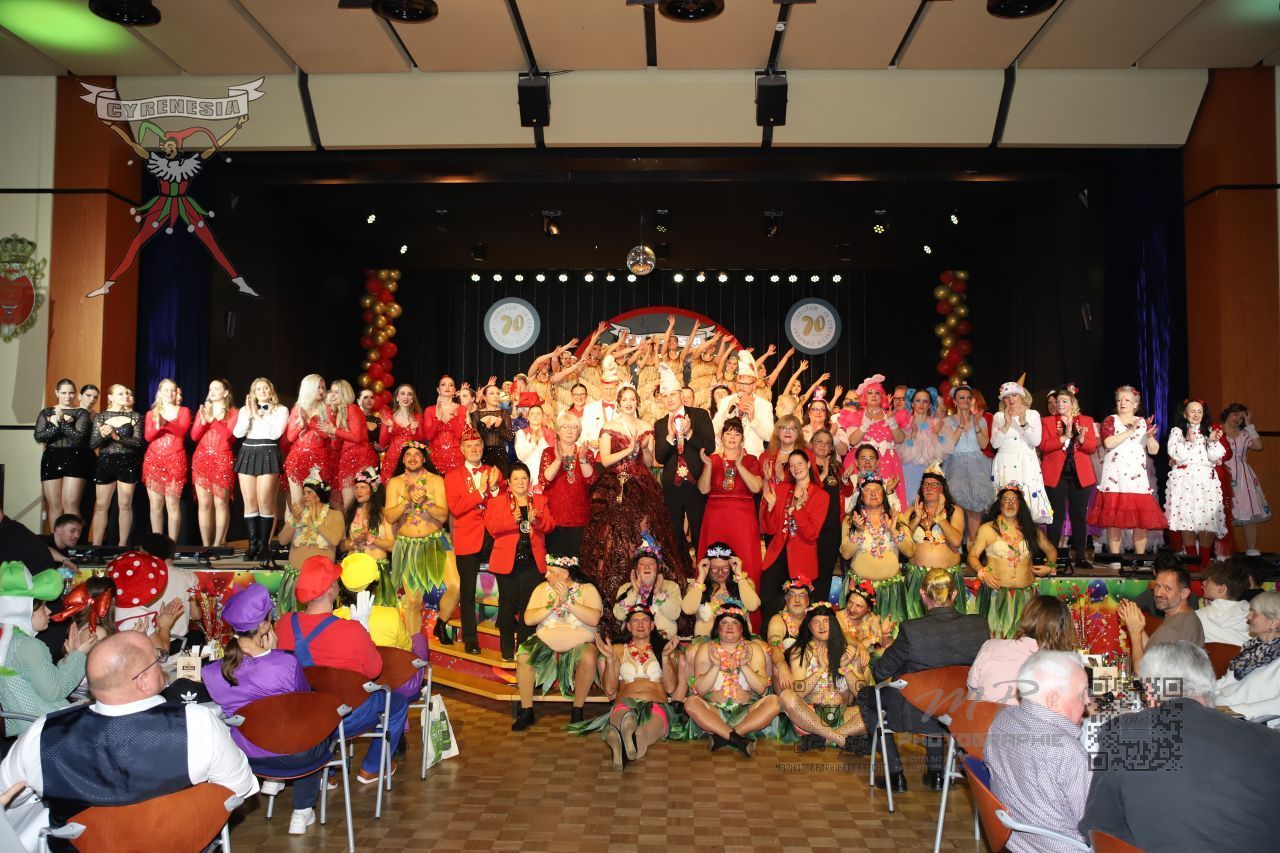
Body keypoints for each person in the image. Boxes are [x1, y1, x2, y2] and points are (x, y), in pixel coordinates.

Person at [0, 630, 258, 852]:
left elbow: (7, 798)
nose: (161, 664)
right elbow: (239, 787)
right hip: (178, 843)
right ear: (143, 680)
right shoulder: (196, 722)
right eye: (157, 659)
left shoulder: (44, 734)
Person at [1080, 642, 1280, 852]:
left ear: (1150, 690)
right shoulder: (1270, 741)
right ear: (1210, 685)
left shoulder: (1122, 731)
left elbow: (1099, 825)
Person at [202, 583, 326, 836]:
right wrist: (276, 653)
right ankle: (301, 812)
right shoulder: (285, 663)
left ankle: (275, 780)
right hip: (293, 754)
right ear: (264, 626)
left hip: (244, 755)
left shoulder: (210, 672)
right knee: (316, 729)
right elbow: (304, 701)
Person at [274, 556, 409, 784]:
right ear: (331, 590)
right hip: (343, 718)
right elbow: (375, 669)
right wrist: (364, 629)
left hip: (301, 717)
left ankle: (323, 770)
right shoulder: (351, 630)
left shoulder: (284, 623)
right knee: (397, 703)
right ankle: (372, 768)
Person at [856, 568, 988, 792]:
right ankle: (936, 773)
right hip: (960, 711)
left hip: (914, 711)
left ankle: (895, 773)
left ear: (922, 594)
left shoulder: (911, 630)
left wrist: (886, 648)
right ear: (954, 594)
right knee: (939, 690)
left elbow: (880, 671)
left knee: (866, 696)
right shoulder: (979, 625)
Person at [582, 385, 688, 613]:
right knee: (613, 533)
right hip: (616, 484)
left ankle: (649, 590)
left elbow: (649, 462)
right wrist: (629, 449)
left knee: (646, 528)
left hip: (642, 484)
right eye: (625, 400)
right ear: (619, 403)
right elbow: (606, 460)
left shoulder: (646, 427)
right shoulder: (610, 427)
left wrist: (644, 449)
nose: (629, 403)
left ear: (637, 402)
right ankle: (615, 591)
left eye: (632, 399)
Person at [984, 651, 1092, 853]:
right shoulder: (1069, 752)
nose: (1088, 701)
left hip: (1014, 842)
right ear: (1053, 699)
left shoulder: (1002, 721)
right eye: (1082, 693)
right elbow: (1095, 826)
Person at [0, 562, 93, 735]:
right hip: (49, 728)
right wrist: (80, 655)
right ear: (26, 610)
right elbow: (55, 691)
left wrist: (71, 656)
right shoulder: (28, 646)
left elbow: (44, 681)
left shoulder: (7, 640)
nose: (49, 611)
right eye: (43, 607)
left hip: (28, 727)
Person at [512, 556, 602, 729]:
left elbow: (594, 619)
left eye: (551, 572)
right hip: (545, 642)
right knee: (524, 656)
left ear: (565, 574)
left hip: (580, 644)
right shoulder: (541, 589)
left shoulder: (587, 589)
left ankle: (577, 709)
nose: (546, 575)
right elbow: (528, 619)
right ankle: (526, 710)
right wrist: (553, 604)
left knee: (589, 658)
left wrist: (568, 601)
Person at [584, 605, 680, 768]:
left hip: (655, 705)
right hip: (625, 704)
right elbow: (610, 689)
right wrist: (610, 660)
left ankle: (620, 749)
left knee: (642, 732)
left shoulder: (664, 649)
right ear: (628, 626)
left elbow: (671, 688)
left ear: (652, 625)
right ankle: (625, 736)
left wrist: (665, 658)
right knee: (624, 720)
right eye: (635, 621)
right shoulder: (617, 649)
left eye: (645, 620)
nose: (640, 624)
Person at [682, 603, 781, 756]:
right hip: (714, 713)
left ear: (742, 627)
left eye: (735, 622)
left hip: (747, 713)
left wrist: (744, 665)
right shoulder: (706, 649)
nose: (729, 627)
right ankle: (738, 740)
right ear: (717, 626)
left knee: (775, 701)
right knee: (691, 702)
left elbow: (761, 688)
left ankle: (726, 736)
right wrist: (716, 666)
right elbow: (700, 690)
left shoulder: (753, 649)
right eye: (724, 622)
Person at [1087, 385, 1166, 567]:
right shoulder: (1110, 420)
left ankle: (1140, 558)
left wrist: (1149, 436)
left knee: (1140, 520)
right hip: (1115, 476)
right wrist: (1131, 431)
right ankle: (1115, 558)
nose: (1122, 403)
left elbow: (1154, 450)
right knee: (1114, 519)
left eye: (1127, 400)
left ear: (1135, 404)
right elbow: (1108, 443)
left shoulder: (1142, 422)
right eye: (1119, 400)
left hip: (1136, 478)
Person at [485, 462, 555, 661]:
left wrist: (537, 520)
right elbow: (492, 528)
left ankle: (523, 650)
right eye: (516, 478)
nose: (520, 482)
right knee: (507, 607)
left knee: (529, 607)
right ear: (509, 482)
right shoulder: (498, 502)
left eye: (524, 478)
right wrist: (513, 520)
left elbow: (550, 526)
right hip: (507, 562)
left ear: (529, 480)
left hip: (532, 563)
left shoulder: (540, 500)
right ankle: (507, 651)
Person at [444, 426, 505, 653]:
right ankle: (470, 640)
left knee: (508, 582)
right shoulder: (452, 477)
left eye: (477, 445)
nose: (474, 449)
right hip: (467, 538)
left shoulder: (493, 471)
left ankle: (505, 623)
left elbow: (503, 502)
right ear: (462, 450)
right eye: (469, 446)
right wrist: (480, 492)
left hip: (493, 535)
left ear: (483, 447)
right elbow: (456, 508)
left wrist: (495, 488)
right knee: (467, 592)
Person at [968, 486, 1058, 638]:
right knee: (997, 638)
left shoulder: (1030, 530)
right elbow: (972, 556)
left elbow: (1051, 551)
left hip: (1026, 595)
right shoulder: (988, 529)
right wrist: (983, 573)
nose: (1010, 503)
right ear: (1000, 504)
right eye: (1006, 499)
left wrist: (1050, 567)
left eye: (1014, 500)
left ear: (1020, 504)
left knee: (1025, 638)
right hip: (997, 596)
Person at [385, 441, 452, 645]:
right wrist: (406, 501)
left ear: (424, 458)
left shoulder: (436, 481)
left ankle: (441, 623)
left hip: (436, 541)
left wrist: (424, 503)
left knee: (456, 586)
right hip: (409, 545)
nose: (413, 458)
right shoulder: (395, 483)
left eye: (417, 454)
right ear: (403, 459)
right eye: (408, 455)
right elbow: (390, 516)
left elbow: (443, 516)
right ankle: (414, 649)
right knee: (414, 601)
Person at [782, 603, 871, 753]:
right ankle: (841, 740)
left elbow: (862, 695)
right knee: (787, 696)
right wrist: (820, 670)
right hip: (810, 717)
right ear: (809, 626)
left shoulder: (848, 652)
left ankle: (824, 740)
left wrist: (845, 668)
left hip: (843, 716)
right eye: (816, 622)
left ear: (834, 625)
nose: (822, 626)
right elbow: (798, 692)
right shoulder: (800, 652)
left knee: (878, 709)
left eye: (826, 621)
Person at [759, 450, 830, 630]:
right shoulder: (782, 489)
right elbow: (769, 528)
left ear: (808, 464)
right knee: (768, 602)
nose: (796, 468)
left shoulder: (821, 496)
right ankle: (771, 640)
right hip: (777, 554)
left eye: (799, 463)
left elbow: (811, 534)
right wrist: (770, 506)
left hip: (801, 559)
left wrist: (798, 510)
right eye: (791, 465)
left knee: (799, 610)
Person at [654, 364, 717, 561]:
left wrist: (689, 433)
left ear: (681, 395)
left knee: (699, 528)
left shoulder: (699, 415)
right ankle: (680, 569)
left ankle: (703, 567)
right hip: (672, 486)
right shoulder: (660, 424)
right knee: (673, 531)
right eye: (665, 396)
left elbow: (710, 447)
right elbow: (660, 458)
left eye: (673, 394)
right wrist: (670, 437)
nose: (669, 399)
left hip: (696, 483)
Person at [967, 595, 1076, 705]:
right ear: (1062, 630)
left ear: (1025, 617)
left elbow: (972, 691)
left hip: (982, 715)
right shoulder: (1060, 668)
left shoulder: (990, 646)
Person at [695, 417, 763, 589]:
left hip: (742, 519)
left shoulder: (751, 460)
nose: (732, 437)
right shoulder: (711, 459)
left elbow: (756, 487)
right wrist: (708, 467)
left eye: (737, 434)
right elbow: (703, 490)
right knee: (714, 559)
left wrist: (739, 465)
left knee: (744, 557)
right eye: (728, 433)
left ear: (742, 439)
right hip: (716, 518)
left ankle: (746, 598)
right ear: (722, 437)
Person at [899, 464, 967, 618]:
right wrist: (916, 519)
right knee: (917, 620)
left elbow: (956, 542)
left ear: (942, 489)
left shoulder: (954, 511)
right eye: (925, 484)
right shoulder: (910, 511)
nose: (929, 488)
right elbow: (902, 543)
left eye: (934, 484)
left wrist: (941, 519)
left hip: (946, 576)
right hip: (917, 577)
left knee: (950, 621)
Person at [1040, 387, 1098, 568]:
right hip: (1056, 475)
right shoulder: (1047, 422)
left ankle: (1081, 557)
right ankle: (1052, 558)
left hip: (1080, 475)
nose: (1060, 404)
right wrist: (1064, 436)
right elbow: (1044, 446)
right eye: (1058, 401)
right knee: (1056, 516)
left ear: (1073, 403)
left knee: (1078, 516)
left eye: (1064, 401)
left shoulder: (1086, 420)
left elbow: (1092, 447)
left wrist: (1081, 439)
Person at [233, 377, 289, 562]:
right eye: (258, 389)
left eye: (265, 388)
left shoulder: (281, 410)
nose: (262, 391)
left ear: (271, 391)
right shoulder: (245, 410)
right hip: (248, 451)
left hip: (268, 451)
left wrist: (258, 416)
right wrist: (249, 414)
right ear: (253, 393)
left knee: (265, 501)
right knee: (250, 502)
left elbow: (275, 434)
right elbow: (237, 433)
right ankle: (253, 546)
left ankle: (264, 546)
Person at [1165, 399, 1228, 562]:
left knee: (1208, 521)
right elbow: (1176, 455)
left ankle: (1205, 560)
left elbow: (1216, 457)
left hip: (1206, 481)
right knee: (1187, 520)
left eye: (1199, 411)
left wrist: (1212, 441)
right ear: (1185, 414)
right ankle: (1192, 560)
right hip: (1185, 481)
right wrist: (1188, 441)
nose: (1196, 414)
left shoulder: (1208, 431)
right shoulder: (1177, 432)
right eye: (1192, 411)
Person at [839, 476, 908, 625]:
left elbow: (910, 551)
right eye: (867, 490)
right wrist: (858, 532)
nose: (873, 493)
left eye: (877, 489)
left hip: (890, 592)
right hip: (859, 592)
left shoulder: (897, 517)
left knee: (890, 631)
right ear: (861, 496)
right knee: (858, 633)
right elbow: (845, 554)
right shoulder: (851, 519)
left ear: (883, 493)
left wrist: (894, 531)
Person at [834, 374, 907, 508]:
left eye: (877, 393)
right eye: (870, 393)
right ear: (864, 396)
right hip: (862, 462)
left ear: (882, 396)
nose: (874, 396)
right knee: (859, 501)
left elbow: (900, 439)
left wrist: (892, 422)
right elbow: (852, 441)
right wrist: (865, 424)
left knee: (888, 500)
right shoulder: (856, 415)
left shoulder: (890, 414)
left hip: (888, 462)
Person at [1117, 563, 1204, 670]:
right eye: (1157, 586)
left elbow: (1143, 674)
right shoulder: (1187, 615)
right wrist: (1137, 627)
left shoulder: (1173, 629)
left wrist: (1134, 633)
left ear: (1184, 593)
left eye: (1167, 588)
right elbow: (1153, 652)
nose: (1158, 593)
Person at [112, 534, 196, 644]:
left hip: (151, 640)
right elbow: (196, 615)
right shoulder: (189, 576)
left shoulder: (142, 577)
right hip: (177, 643)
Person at [990, 379, 1051, 525]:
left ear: (1021, 396)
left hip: (1026, 463)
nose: (1010, 400)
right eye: (1006, 397)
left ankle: (1028, 537)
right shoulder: (998, 416)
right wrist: (1006, 424)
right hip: (1005, 463)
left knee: (1028, 504)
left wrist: (1023, 422)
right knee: (1006, 501)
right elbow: (995, 443)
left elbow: (1036, 441)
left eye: (1014, 395)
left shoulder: (1032, 414)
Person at [89, 384, 143, 547]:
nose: (125, 396)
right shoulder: (101, 417)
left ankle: (122, 545)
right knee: (101, 506)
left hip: (127, 462)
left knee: (125, 505)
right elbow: (93, 443)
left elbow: (138, 443)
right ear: (110, 397)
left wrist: (116, 436)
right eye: (120, 394)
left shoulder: (135, 416)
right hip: (106, 462)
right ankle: (96, 546)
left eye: (126, 393)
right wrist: (102, 436)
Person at [538, 412, 597, 561]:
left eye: (574, 427)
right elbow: (544, 480)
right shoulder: (548, 452)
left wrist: (582, 459)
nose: (570, 431)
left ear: (578, 431)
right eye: (565, 427)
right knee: (555, 565)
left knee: (577, 565)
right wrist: (558, 460)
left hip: (579, 518)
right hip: (554, 518)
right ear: (558, 431)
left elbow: (592, 480)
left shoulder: (586, 452)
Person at [34, 378, 92, 525]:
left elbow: (78, 438)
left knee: (70, 504)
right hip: (51, 457)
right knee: (55, 506)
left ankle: (74, 538)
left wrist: (61, 421)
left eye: (71, 393)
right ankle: (56, 538)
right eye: (64, 393)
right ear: (57, 393)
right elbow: (39, 437)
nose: (68, 396)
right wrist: (56, 426)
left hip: (75, 458)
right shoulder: (46, 412)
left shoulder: (81, 413)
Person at [1214, 591, 1280, 722]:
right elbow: (1227, 681)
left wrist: (1233, 712)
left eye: (1254, 613)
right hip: (1222, 711)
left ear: (1274, 623)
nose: (1248, 616)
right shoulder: (1252, 646)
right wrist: (1203, 695)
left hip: (1249, 723)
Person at [940, 384, 993, 542]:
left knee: (974, 509)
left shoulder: (980, 419)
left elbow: (984, 444)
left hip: (978, 467)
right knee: (956, 508)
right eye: (961, 397)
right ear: (954, 401)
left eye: (968, 398)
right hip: (954, 466)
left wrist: (976, 426)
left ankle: (973, 548)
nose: (965, 400)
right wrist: (961, 425)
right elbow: (950, 445)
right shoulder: (947, 421)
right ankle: (957, 546)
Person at [190, 378, 238, 547]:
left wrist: (212, 420)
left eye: (217, 388)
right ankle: (206, 545)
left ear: (226, 392)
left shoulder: (233, 412)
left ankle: (218, 544)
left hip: (222, 459)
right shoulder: (203, 410)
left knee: (220, 502)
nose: (212, 391)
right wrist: (203, 421)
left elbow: (229, 436)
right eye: (210, 389)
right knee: (204, 504)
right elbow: (194, 436)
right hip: (202, 459)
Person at [142, 378, 191, 542]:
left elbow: (181, 432)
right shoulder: (151, 413)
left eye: (173, 390)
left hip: (175, 459)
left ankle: (171, 544)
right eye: (166, 390)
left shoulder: (183, 411)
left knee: (172, 504)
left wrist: (166, 424)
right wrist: (158, 426)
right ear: (160, 392)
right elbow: (148, 437)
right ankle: (157, 544)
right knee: (156, 505)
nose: (170, 393)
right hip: (154, 460)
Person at [682, 544, 762, 637]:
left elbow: (753, 606)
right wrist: (701, 577)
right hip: (706, 641)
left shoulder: (745, 583)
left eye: (725, 568)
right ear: (707, 567)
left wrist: (739, 575)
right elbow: (687, 610)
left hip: (739, 641)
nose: (720, 572)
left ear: (731, 566)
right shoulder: (696, 586)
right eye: (714, 569)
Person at [1221, 402, 1269, 555]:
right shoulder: (1216, 431)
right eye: (1235, 415)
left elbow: (1259, 446)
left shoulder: (1244, 434)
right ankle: (1221, 551)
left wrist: (1249, 425)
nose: (1237, 419)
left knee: (1249, 511)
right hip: (1222, 475)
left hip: (1243, 477)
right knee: (1221, 514)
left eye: (1241, 418)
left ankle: (1252, 550)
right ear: (1228, 414)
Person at [323, 379, 377, 512]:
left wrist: (334, 431)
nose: (332, 395)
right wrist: (333, 435)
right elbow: (337, 445)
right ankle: (349, 525)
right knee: (347, 502)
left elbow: (357, 437)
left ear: (345, 393)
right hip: (347, 458)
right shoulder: (340, 412)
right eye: (332, 391)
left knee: (360, 502)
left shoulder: (352, 409)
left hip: (361, 457)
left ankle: (360, 525)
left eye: (337, 392)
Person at [277, 469, 345, 569]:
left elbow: (335, 541)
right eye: (304, 493)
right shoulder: (298, 514)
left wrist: (314, 521)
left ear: (320, 494)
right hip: (296, 574)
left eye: (309, 492)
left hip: (322, 575)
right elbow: (282, 541)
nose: (305, 496)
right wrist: (295, 521)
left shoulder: (335, 515)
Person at [712, 352, 774, 457]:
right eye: (739, 383)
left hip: (752, 456)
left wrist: (753, 419)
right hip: (728, 456)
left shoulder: (764, 405)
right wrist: (726, 413)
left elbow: (769, 436)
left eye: (745, 384)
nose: (741, 387)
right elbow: (713, 430)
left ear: (754, 386)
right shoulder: (726, 401)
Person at [284, 374, 332, 510]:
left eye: (323, 387)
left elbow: (326, 435)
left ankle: (313, 525)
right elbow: (289, 438)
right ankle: (299, 525)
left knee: (315, 502)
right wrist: (302, 425)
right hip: (298, 458)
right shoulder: (297, 409)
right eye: (318, 387)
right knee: (298, 502)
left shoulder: (327, 409)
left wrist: (310, 422)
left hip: (319, 459)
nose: (322, 391)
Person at [809, 428, 843, 604]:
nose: (823, 445)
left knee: (826, 572)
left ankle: (820, 608)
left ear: (831, 448)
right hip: (812, 529)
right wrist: (821, 477)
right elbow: (806, 494)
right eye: (819, 441)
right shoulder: (805, 466)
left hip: (833, 529)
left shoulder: (836, 468)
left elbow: (846, 491)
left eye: (827, 443)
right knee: (810, 572)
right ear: (811, 444)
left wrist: (847, 480)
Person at [612, 553, 683, 639]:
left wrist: (659, 594)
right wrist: (634, 593)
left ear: (658, 568)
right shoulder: (625, 588)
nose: (647, 567)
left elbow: (674, 614)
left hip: (664, 640)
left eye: (651, 563)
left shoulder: (671, 586)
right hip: (633, 641)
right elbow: (619, 616)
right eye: (642, 564)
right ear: (636, 570)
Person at [898, 387, 949, 500]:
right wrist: (913, 435)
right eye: (918, 400)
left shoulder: (936, 423)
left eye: (925, 401)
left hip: (930, 473)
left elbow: (942, 454)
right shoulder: (905, 423)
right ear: (912, 404)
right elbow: (902, 454)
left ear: (930, 405)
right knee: (909, 502)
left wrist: (935, 434)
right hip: (909, 471)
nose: (921, 404)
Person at [342, 466, 395, 568]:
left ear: (373, 489)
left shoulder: (383, 513)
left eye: (363, 487)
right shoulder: (351, 513)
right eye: (356, 487)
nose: (358, 491)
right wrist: (355, 542)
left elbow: (392, 546)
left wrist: (371, 538)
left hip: (376, 567)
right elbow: (342, 546)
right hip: (354, 567)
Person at [421, 375, 467, 476]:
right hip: (435, 458)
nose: (447, 387)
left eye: (451, 385)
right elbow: (428, 437)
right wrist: (438, 418)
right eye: (443, 385)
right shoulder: (430, 410)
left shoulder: (461, 409)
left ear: (454, 390)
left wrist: (453, 416)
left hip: (456, 458)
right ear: (438, 390)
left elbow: (460, 436)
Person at [1197, 560, 1250, 646]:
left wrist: (1207, 609)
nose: (1203, 582)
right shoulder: (1254, 617)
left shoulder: (1197, 617)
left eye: (1208, 580)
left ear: (1222, 589)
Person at [379, 384, 425, 484]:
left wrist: (414, 431)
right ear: (397, 397)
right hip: (392, 460)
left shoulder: (417, 417)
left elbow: (422, 441)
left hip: (411, 460)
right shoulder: (388, 417)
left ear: (412, 399)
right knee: (391, 489)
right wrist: (389, 428)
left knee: (411, 489)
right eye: (403, 393)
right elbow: (382, 444)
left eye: (409, 394)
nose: (406, 397)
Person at [836, 582, 894, 655]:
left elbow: (888, 647)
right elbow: (845, 637)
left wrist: (885, 634)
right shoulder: (837, 617)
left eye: (858, 606)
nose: (852, 609)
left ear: (868, 609)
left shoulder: (871, 618)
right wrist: (864, 643)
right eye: (850, 602)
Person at [473, 383, 515, 476]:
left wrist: (497, 428)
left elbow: (509, 437)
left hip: (500, 456)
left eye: (497, 393)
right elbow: (474, 439)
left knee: (501, 482)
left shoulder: (504, 413)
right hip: (481, 455)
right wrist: (486, 429)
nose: (496, 396)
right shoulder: (476, 415)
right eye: (492, 393)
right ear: (484, 397)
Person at [514, 403, 555, 476]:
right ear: (528, 417)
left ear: (542, 416)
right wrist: (533, 443)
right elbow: (521, 457)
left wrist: (541, 439)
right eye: (532, 414)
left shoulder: (550, 433)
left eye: (538, 414)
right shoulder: (521, 433)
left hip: (546, 473)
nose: (535, 416)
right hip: (527, 473)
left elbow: (552, 456)